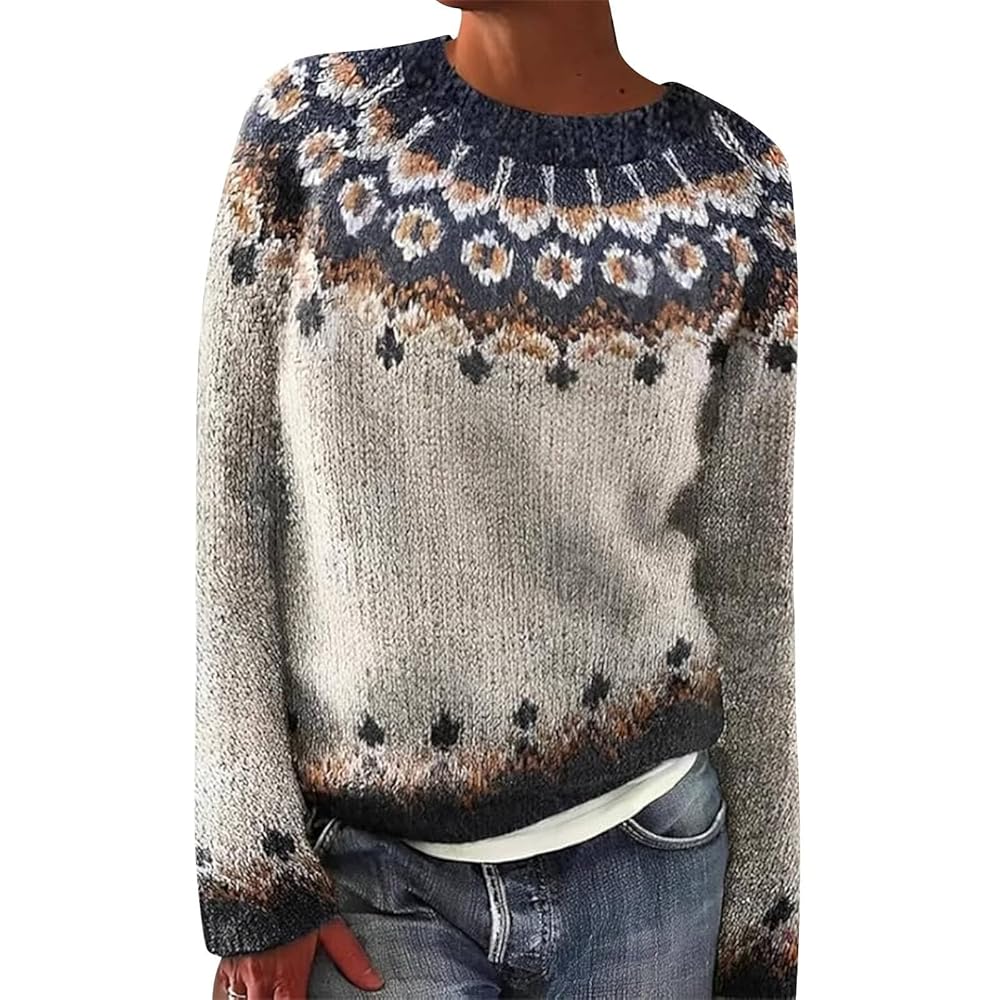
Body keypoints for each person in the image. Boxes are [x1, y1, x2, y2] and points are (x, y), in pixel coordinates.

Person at [194, 2, 800, 997]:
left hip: (655, 860)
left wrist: (763, 934)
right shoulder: (312, 130)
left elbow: (750, 572)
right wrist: (252, 871)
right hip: (368, 879)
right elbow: (233, 512)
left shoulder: (732, 183)